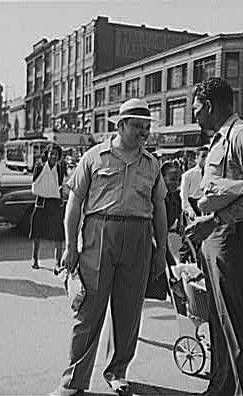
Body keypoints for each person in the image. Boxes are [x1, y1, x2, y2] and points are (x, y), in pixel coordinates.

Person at [52, 98, 167, 396]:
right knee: (89, 311)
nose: (144, 132)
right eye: (137, 126)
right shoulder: (94, 157)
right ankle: (73, 382)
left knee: (128, 313)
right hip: (99, 234)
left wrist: (161, 250)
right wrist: (70, 246)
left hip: (139, 237)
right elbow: (74, 203)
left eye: (147, 127)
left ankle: (117, 371)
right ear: (121, 125)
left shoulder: (152, 164)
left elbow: (159, 207)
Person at [187, 77, 243, 396]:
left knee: (235, 323)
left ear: (210, 107)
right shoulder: (219, 139)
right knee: (218, 320)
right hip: (218, 237)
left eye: (196, 108)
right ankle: (220, 388)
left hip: (233, 237)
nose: (194, 115)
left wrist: (217, 219)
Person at [29, 144, 66, 272]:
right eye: (51, 153)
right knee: (37, 231)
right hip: (41, 201)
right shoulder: (39, 167)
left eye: (56, 154)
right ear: (47, 154)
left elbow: (60, 184)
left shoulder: (60, 168)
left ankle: (58, 262)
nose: (53, 156)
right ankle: (34, 258)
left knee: (58, 234)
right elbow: (35, 183)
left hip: (55, 202)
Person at [180, 147, 208, 220]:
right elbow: (184, 197)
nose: (206, 159)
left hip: (207, 208)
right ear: (197, 158)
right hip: (193, 208)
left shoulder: (212, 175)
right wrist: (190, 211)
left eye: (208, 156)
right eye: (203, 156)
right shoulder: (187, 175)